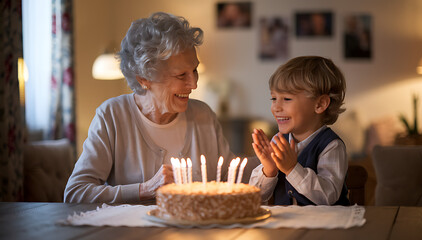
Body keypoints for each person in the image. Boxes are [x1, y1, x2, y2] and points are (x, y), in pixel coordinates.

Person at [64, 12, 246, 204]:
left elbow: (230, 179)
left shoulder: (204, 115)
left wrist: (268, 166)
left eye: (194, 70)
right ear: (143, 79)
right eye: (181, 75)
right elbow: (76, 193)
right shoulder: (112, 116)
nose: (194, 84)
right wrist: (145, 189)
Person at [249, 56, 350, 206]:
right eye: (274, 98)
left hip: (326, 226)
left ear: (320, 104)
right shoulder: (279, 141)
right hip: (287, 226)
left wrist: (292, 168)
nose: (276, 107)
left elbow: (328, 196)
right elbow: (254, 197)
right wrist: (269, 170)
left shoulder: (331, 145)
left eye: (287, 99)